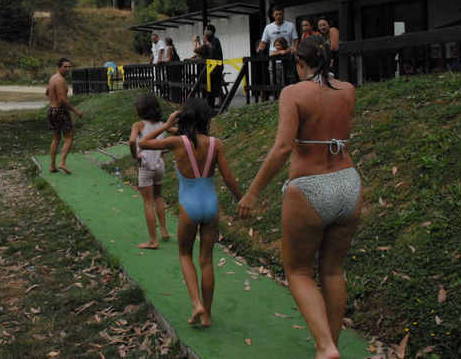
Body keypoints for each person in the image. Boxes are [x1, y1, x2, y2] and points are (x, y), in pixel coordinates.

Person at [237, 36, 361, 359]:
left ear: (299, 63)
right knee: (332, 270)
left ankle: (325, 347)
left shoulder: (292, 93)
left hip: (310, 188)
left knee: (299, 272)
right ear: (329, 61)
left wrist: (252, 192)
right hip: (348, 183)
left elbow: (282, 148)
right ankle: (330, 344)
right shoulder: (348, 91)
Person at [139, 98, 242, 327]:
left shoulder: (177, 142)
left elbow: (144, 143)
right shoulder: (216, 143)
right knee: (206, 261)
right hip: (211, 205)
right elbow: (228, 177)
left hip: (189, 206)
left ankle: (196, 304)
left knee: (185, 255)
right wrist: (242, 199)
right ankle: (207, 315)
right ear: (206, 119)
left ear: (185, 117)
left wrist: (165, 125)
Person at [128, 93, 175, 249]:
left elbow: (132, 140)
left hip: (146, 166)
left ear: (140, 108)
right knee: (158, 197)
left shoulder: (138, 125)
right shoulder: (163, 125)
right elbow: (179, 135)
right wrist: (165, 150)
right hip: (159, 165)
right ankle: (164, 231)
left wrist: (136, 156)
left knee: (148, 203)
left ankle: (153, 240)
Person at [46, 57, 83, 174]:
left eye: (69, 67)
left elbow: (47, 93)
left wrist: (53, 101)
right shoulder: (60, 80)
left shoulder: (52, 78)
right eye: (65, 67)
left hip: (51, 110)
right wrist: (75, 110)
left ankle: (52, 166)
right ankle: (61, 162)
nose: (68, 69)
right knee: (69, 137)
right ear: (59, 67)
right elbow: (62, 100)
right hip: (60, 111)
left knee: (56, 137)